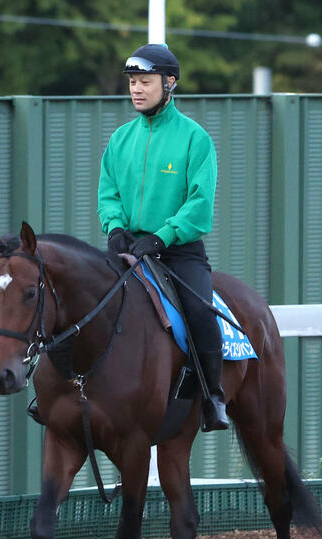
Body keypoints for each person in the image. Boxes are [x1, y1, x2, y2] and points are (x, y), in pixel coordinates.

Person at [97, 43, 228, 431]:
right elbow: (109, 193)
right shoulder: (119, 139)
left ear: (170, 83)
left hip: (177, 252)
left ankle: (212, 397)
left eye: (145, 82)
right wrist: (115, 227)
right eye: (133, 82)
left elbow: (200, 204)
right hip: (126, 248)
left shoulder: (195, 139)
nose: (136, 89)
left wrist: (162, 237)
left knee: (203, 314)